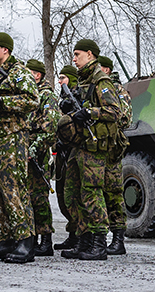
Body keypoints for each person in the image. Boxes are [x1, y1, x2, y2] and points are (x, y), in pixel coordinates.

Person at [0, 32, 39, 264]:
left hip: (11, 138)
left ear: (6, 50)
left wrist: (2, 102)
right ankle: (2, 239)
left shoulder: (19, 72)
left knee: (14, 188)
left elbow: (32, 100)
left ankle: (25, 240)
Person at [60, 39, 122, 261]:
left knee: (92, 192)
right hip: (81, 145)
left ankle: (98, 242)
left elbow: (115, 111)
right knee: (73, 192)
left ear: (90, 54)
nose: (74, 59)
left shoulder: (101, 80)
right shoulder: (84, 80)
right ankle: (83, 239)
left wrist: (90, 113)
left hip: (95, 146)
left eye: (77, 54)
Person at [25, 59, 60, 256]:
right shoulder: (32, 94)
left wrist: (35, 147)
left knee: (39, 197)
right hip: (27, 149)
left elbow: (50, 127)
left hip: (39, 152)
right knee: (29, 196)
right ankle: (33, 237)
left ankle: (46, 240)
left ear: (37, 75)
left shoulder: (47, 96)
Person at [98, 55, 132, 255]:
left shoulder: (118, 91)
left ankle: (118, 240)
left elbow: (124, 118)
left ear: (107, 70)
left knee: (113, 193)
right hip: (99, 146)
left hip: (112, 147)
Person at [53, 65, 80, 251]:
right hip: (62, 152)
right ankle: (72, 233)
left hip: (75, 152)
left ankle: (80, 235)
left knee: (73, 196)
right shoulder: (63, 100)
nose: (60, 81)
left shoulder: (78, 97)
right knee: (62, 197)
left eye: (63, 77)